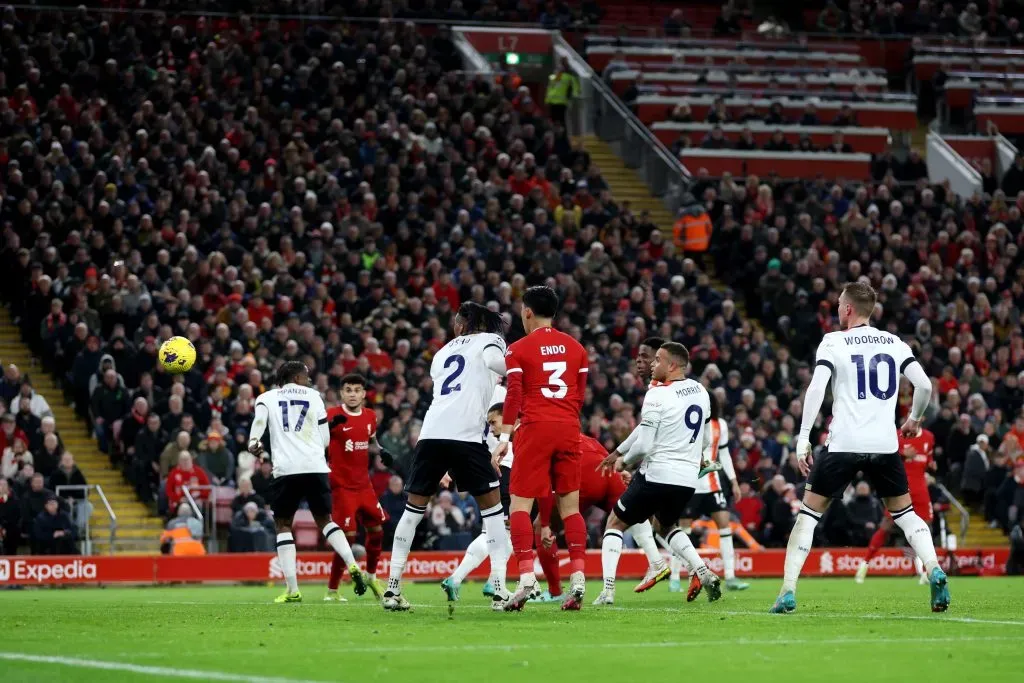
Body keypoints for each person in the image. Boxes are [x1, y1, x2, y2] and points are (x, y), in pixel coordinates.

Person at [770, 282, 949, 614]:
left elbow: (817, 388)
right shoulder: (893, 342)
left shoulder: (834, 342)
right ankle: (934, 568)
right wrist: (914, 419)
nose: (837, 308)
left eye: (839, 303)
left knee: (808, 517)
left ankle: (788, 591)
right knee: (907, 515)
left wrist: (803, 437)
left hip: (844, 442)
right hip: (884, 443)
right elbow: (924, 384)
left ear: (849, 308)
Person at [383, 302, 510, 612]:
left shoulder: (441, 353)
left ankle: (392, 589)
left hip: (431, 435)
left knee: (412, 512)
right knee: (493, 512)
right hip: (467, 436)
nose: (454, 326)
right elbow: (497, 366)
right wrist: (519, 371)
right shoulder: (492, 341)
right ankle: (499, 588)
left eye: (456, 320)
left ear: (464, 323)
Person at [491, 286, 590, 612]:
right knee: (571, 508)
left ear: (527, 312)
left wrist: (505, 437)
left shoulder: (518, 349)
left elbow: (515, 394)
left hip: (534, 428)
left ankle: (525, 579)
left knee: (520, 507)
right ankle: (578, 577)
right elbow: (580, 396)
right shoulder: (577, 349)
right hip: (567, 427)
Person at [248, 361, 369, 604]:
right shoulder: (315, 397)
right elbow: (325, 439)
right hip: (315, 467)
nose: (309, 380)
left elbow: (260, 423)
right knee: (325, 520)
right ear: (295, 377)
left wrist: (254, 441)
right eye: (305, 376)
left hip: (287, 470)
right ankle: (353, 564)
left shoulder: (267, 397)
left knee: (283, 524)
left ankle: (292, 589)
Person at [324, 373, 395, 602]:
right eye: (348, 390)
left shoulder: (370, 416)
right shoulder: (332, 416)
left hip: (365, 485)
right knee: (347, 538)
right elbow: (318, 444)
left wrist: (382, 451)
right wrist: (327, 431)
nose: (352, 394)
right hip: (342, 486)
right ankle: (332, 590)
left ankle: (372, 576)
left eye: (357, 390)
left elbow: (371, 441)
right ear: (341, 393)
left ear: (364, 394)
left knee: (377, 531)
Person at [670, 393, 749, 593]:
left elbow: (724, 453)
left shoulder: (720, 424)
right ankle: (674, 578)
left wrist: (733, 481)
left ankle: (730, 576)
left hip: (713, 484)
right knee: (683, 529)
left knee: (725, 524)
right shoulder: (687, 419)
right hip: (690, 484)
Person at [856, 428, 937, 584]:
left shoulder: (929, 437)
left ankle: (926, 572)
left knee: (925, 528)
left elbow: (928, 460)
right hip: (901, 488)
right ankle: (864, 564)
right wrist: (902, 454)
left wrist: (931, 466)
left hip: (920, 489)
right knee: (886, 526)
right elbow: (884, 457)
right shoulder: (897, 435)